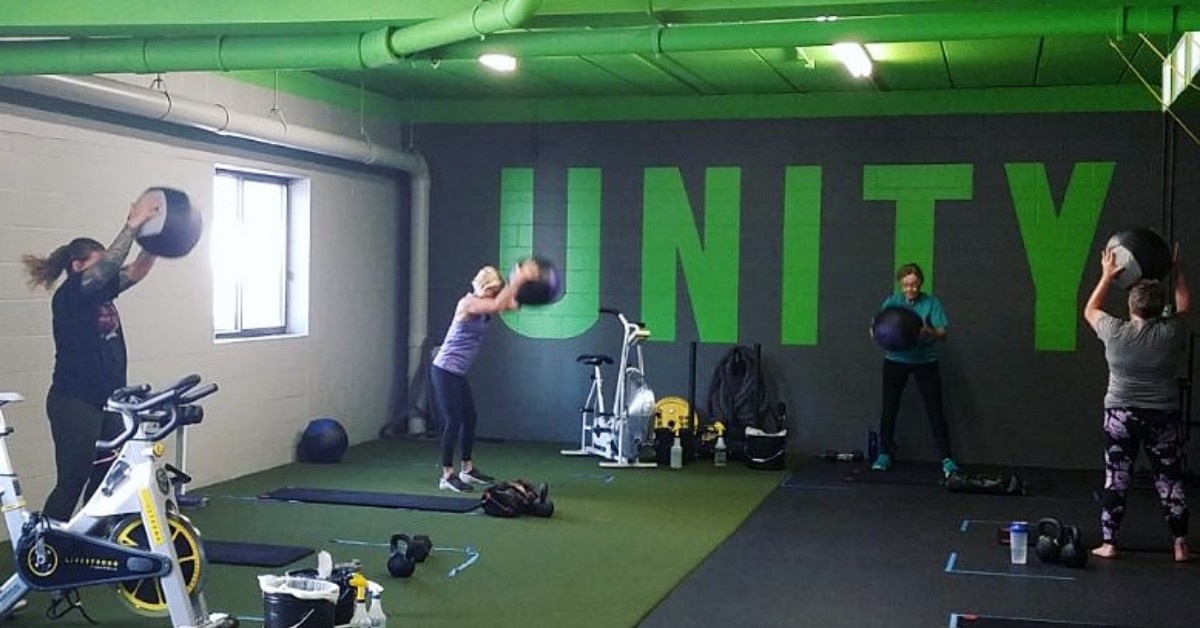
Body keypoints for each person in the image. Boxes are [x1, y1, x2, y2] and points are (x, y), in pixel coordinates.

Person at [21, 189, 162, 522]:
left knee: (107, 480)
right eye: (97, 266)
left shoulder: (102, 290)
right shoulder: (70, 295)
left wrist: (155, 240)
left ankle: (87, 539)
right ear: (78, 267)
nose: (105, 272)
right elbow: (110, 265)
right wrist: (131, 225)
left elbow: (137, 269)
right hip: (74, 403)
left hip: (108, 404)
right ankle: (47, 545)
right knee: (72, 481)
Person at [1084, 245, 1190, 562]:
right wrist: (1178, 270)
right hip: (1162, 416)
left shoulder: (1115, 332)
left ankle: (1109, 543)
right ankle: (1180, 545)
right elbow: (1185, 305)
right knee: (1169, 479)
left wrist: (1106, 275)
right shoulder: (1172, 331)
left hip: (1120, 414)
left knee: (1117, 478)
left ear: (1130, 306)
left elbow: (1090, 309)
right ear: (1159, 309)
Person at [430, 261, 537, 492]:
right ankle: (447, 475)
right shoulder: (468, 303)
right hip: (445, 370)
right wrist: (517, 278)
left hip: (458, 372)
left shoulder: (487, 304)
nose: (495, 294)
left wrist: (525, 284)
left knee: (470, 418)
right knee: (453, 421)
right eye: (492, 290)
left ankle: (467, 469)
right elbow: (499, 303)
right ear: (484, 287)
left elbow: (513, 305)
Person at [869, 262, 959, 478]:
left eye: (915, 285)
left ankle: (947, 459)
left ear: (920, 283)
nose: (911, 289)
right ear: (901, 285)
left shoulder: (931, 303)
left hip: (924, 360)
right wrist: (876, 332)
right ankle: (885, 453)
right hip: (895, 360)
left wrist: (929, 332)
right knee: (889, 407)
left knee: (935, 409)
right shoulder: (892, 302)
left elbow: (943, 334)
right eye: (907, 285)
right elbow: (876, 328)